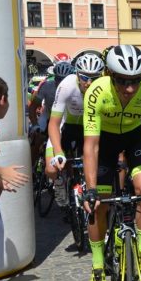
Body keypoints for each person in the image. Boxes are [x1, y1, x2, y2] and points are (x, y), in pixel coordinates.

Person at [82, 45, 141, 281]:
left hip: (135, 137)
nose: (130, 88)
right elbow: (91, 145)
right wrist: (90, 189)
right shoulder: (96, 93)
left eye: (135, 81)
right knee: (98, 203)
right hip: (105, 141)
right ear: (109, 74)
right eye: (122, 81)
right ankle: (98, 264)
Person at [44, 53, 104, 206]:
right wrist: (58, 152)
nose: (89, 83)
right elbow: (54, 123)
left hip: (89, 128)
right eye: (85, 77)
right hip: (66, 126)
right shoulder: (67, 85)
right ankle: (58, 183)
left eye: (94, 78)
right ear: (77, 74)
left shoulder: (103, 88)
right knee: (51, 169)